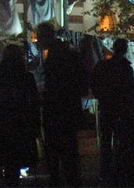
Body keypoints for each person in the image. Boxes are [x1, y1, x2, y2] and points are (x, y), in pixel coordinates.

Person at [38, 22, 87, 187]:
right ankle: (72, 180)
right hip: (68, 109)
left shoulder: (56, 55)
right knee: (69, 151)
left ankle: (61, 181)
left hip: (58, 111)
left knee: (57, 151)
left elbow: (57, 85)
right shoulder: (67, 52)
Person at [0, 44, 40, 186]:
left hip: (4, 124)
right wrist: (35, 123)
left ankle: (8, 179)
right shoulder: (26, 77)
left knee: (8, 159)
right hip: (21, 124)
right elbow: (34, 103)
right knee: (16, 157)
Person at [90, 39, 134, 185]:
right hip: (121, 109)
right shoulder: (126, 68)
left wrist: (102, 97)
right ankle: (118, 170)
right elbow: (131, 91)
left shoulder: (103, 66)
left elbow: (94, 83)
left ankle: (105, 172)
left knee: (106, 140)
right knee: (120, 140)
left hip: (107, 107)